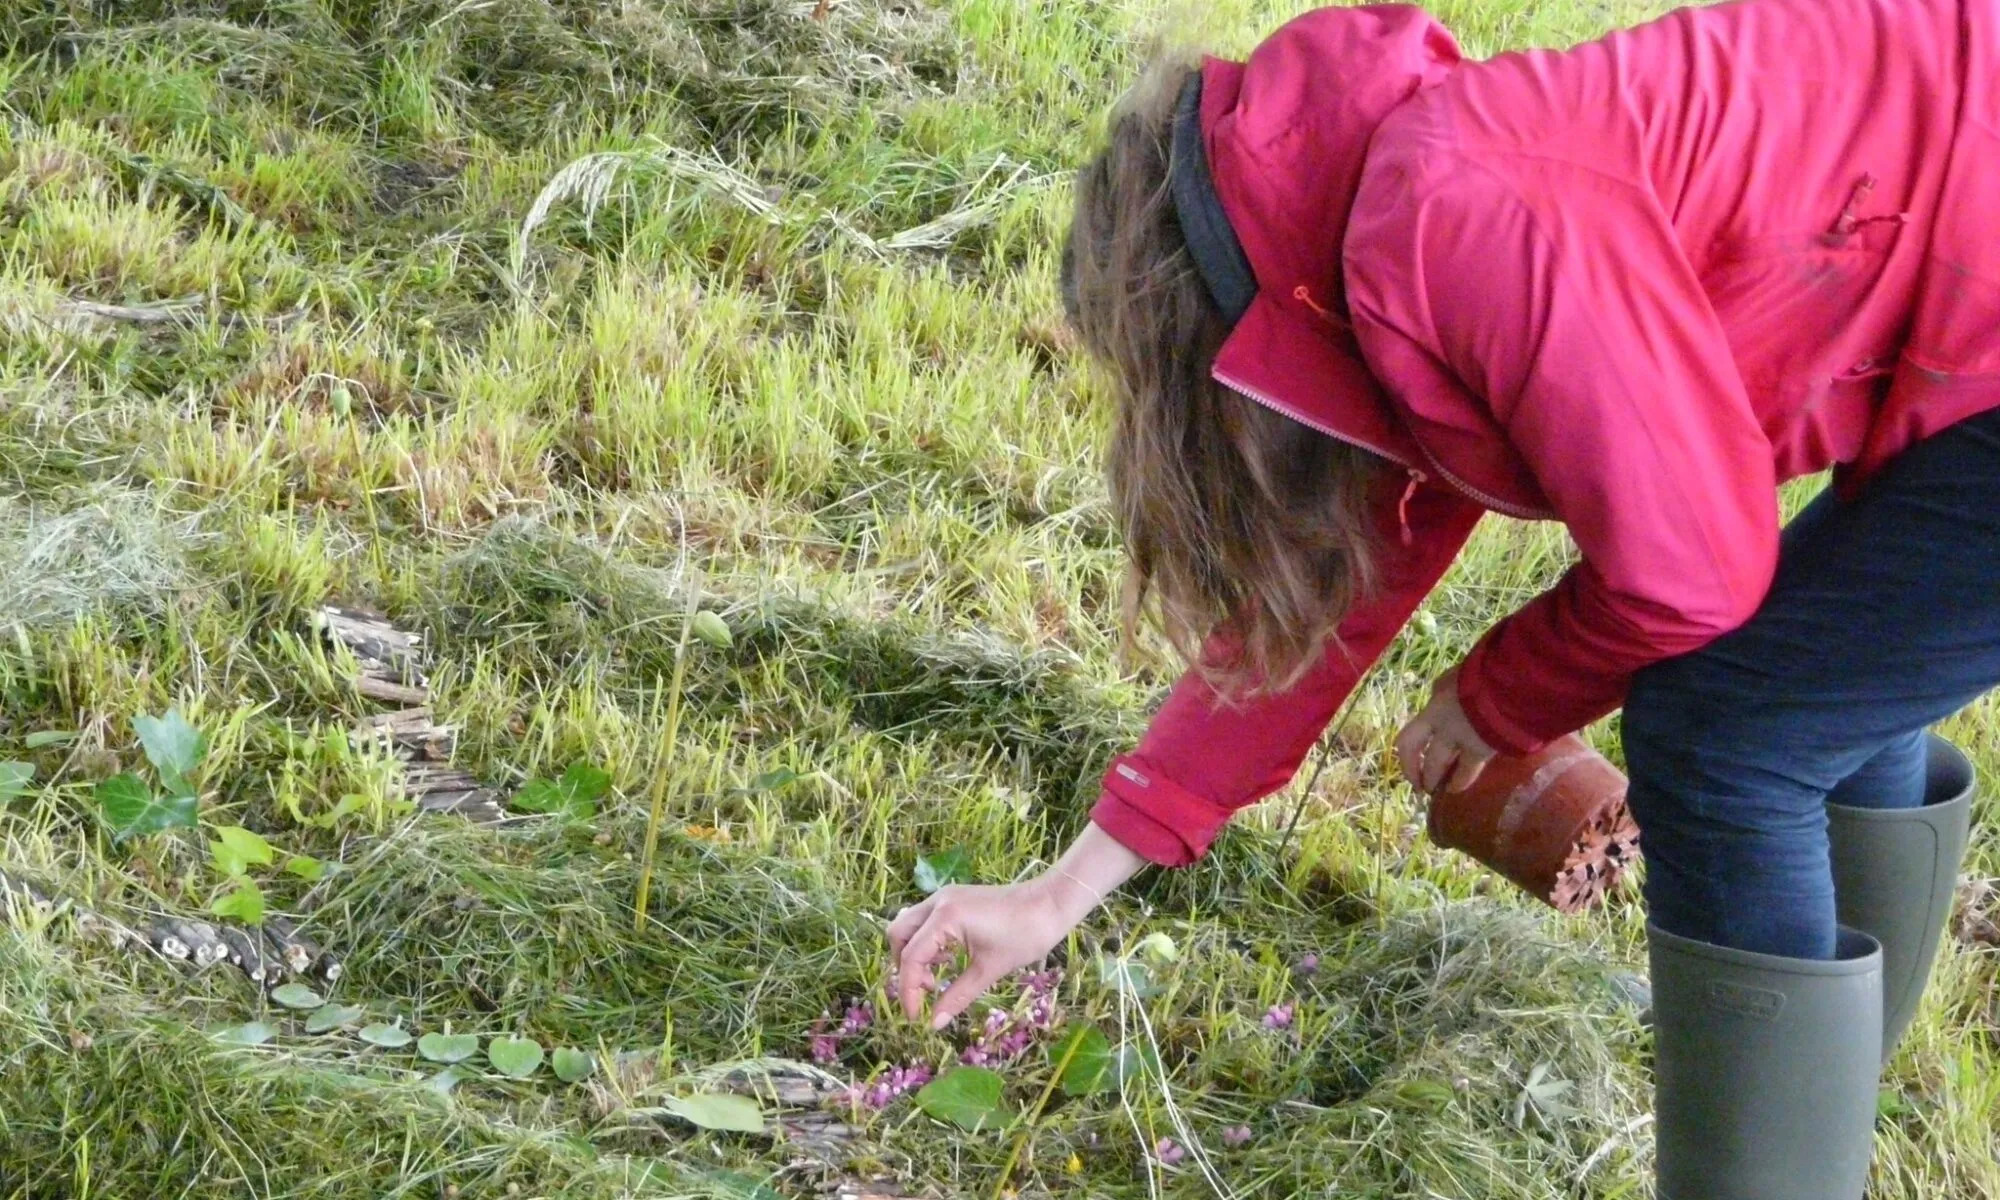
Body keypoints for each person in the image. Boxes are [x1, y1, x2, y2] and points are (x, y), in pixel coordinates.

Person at [886, 0, 1995, 1195]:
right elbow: (1317, 613)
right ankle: (1819, 1093)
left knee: (1730, 731)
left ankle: (1779, 1147)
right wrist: (1057, 896)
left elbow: (1696, 574)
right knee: (1815, 669)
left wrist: (1493, 697)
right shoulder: (1366, 251)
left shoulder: (1453, 218)